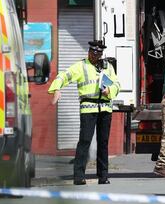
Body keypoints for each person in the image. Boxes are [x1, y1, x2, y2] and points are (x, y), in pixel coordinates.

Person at [49, 40, 120, 185]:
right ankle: (79, 176)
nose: (95, 55)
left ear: (101, 54)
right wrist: (57, 88)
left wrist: (110, 90)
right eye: (93, 53)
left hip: (105, 108)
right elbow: (63, 76)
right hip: (88, 108)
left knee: (103, 142)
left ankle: (103, 176)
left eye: (98, 53)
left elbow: (117, 84)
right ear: (88, 52)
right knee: (85, 141)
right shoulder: (80, 66)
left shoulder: (108, 66)